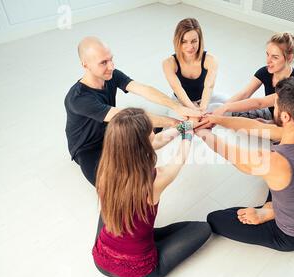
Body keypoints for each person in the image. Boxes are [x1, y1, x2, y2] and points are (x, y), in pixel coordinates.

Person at [195, 77, 294, 251]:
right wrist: (216, 119)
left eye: (276, 105)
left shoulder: (275, 162)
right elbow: (256, 126)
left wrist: (203, 132)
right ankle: (271, 210)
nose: (273, 108)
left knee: (215, 219)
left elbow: (232, 154)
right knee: (283, 181)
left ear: (285, 116)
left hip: (292, 235)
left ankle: (271, 212)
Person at [92, 108, 211, 277]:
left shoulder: (105, 170)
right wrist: (188, 135)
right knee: (203, 228)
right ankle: (144, 240)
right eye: (151, 132)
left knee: (108, 213)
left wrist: (184, 126)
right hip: (136, 272)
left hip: (100, 260)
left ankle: (140, 237)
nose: (155, 133)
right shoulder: (156, 180)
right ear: (142, 143)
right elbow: (180, 158)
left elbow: (158, 140)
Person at [65, 36, 202, 186]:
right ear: (85, 65)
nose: (111, 66)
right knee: (114, 186)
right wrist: (175, 121)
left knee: (149, 134)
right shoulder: (78, 98)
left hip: (111, 132)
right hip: (88, 148)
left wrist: (177, 107)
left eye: (111, 59)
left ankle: (169, 128)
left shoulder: (111, 74)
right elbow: (124, 116)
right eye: (103, 62)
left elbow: (144, 90)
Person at [211, 32, 294, 129]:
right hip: (273, 116)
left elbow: (260, 103)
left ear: (289, 58)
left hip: (292, 128)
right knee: (235, 113)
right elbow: (245, 93)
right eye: (267, 54)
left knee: (246, 127)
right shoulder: (265, 71)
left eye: (275, 57)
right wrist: (223, 108)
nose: (268, 61)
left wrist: (268, 124)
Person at [163, 18, 226, 115]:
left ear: (200, 40)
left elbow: (209, 87)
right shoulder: (168, 63)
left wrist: (202, 109)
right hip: (181, 101)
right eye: (184, 41)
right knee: (180, 124)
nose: (190, 47)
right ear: (178, 41)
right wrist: (193, 110)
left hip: (205, 98)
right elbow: (178, 89)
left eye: (194, 41)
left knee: (230, 104)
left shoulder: (211, 60)